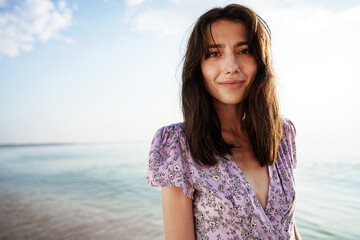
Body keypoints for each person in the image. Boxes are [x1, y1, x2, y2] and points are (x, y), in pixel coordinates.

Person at [146, 4, 302, 240]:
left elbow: (288, 225)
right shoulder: (177, 145)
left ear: (260, 61)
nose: (231, 67)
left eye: (244, 50)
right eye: (214, 53)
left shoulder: (282, 134)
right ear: (198, 67)